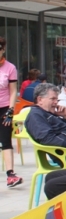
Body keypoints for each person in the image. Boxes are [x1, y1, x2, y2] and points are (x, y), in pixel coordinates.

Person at [0, 37, 21, 187]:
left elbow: (13, 91)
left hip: (4, 108)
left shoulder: (10, 68)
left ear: (3, 50)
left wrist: (10, 110)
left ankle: (10, 174)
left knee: (5, 140)